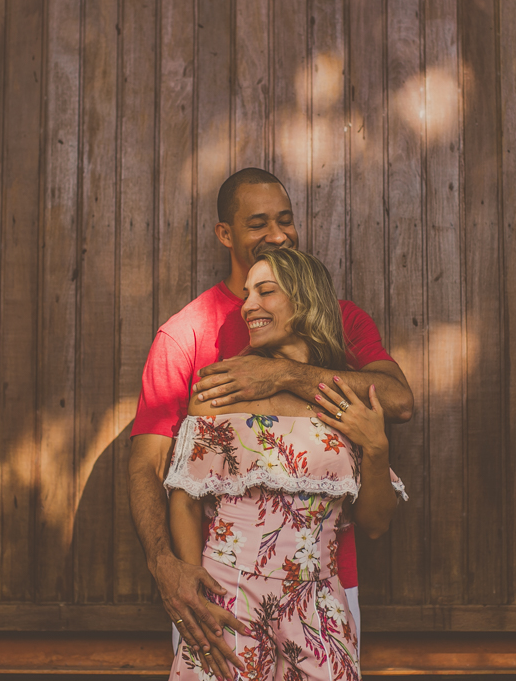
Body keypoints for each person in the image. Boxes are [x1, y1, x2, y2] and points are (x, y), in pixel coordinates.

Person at [128, 169, 414, 676]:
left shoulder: (342, 320)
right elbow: (154, 469)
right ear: (226, 234)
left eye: (285, 219)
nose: (278, 234)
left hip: (326, 592)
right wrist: (170, 567)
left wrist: (282, 374)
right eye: (258, 223)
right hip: (220, 596)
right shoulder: (185, 334)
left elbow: (396, 401)